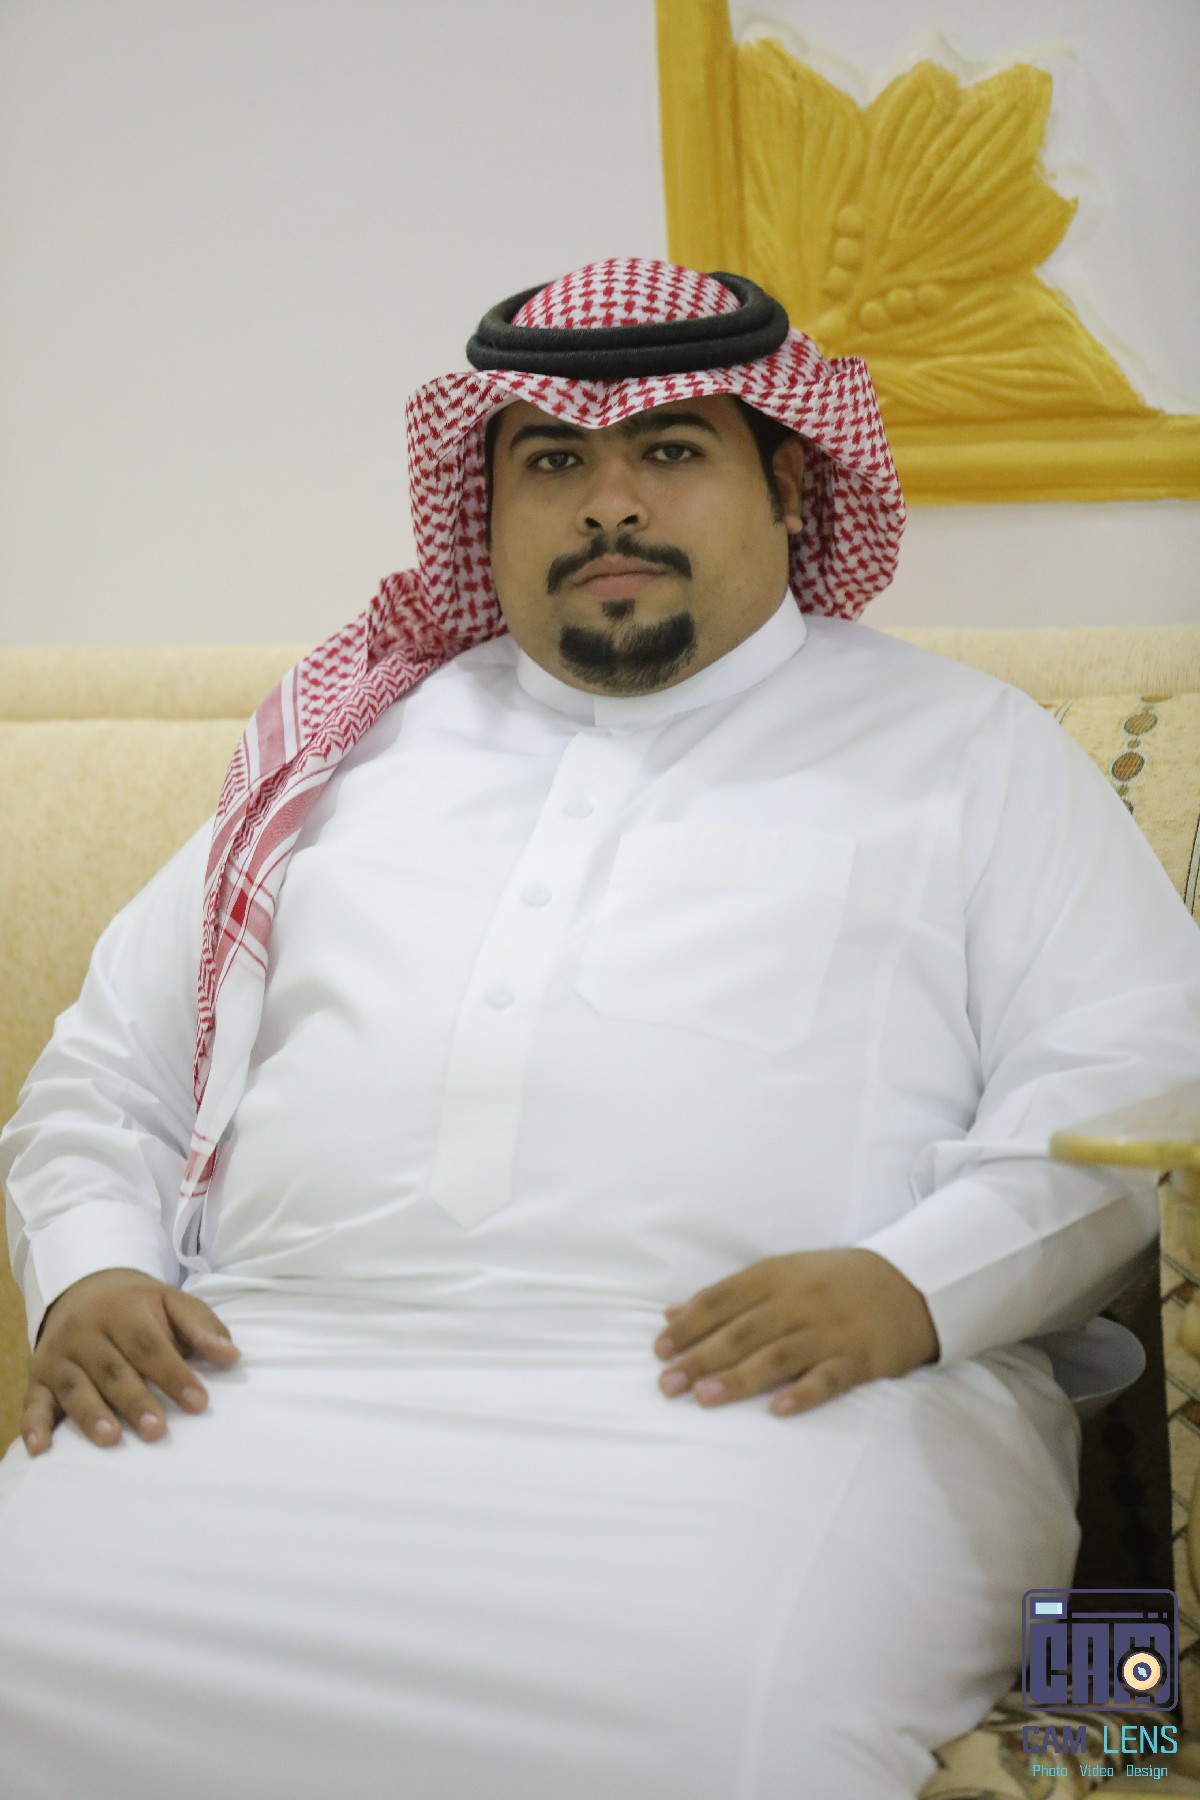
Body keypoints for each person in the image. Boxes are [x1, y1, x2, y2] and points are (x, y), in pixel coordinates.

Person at [0, 257, 1196, 1800]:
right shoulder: (342, 756)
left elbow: (1138, 1071)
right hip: (262, 1385)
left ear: (790, 486)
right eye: (553, 463)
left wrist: (918, 1286)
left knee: (708, 1726)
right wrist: (94, 1270)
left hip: (777, 1411)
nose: (608, 504)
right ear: (487, 509)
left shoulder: (965, 751)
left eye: (671, 452)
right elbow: (105, 1075)